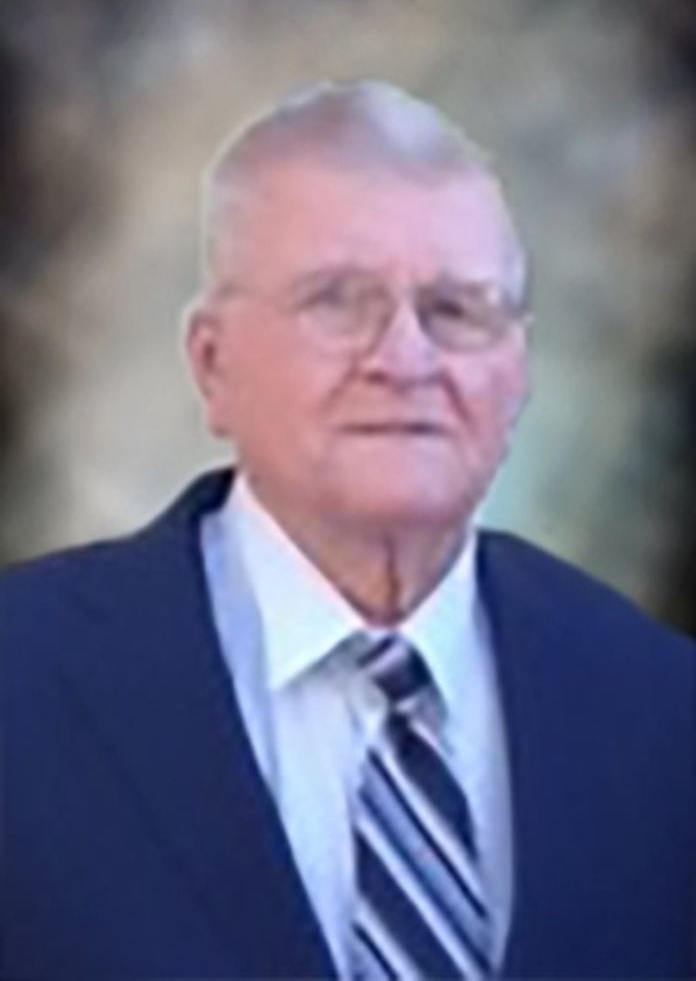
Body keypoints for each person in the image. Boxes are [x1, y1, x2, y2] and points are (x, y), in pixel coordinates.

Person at [1, 80, 693, 981]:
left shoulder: (660, 708)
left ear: (517, 370)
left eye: (456, 310)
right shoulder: (22, 680)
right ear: (212, 363)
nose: (405, 359)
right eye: (337, 301)